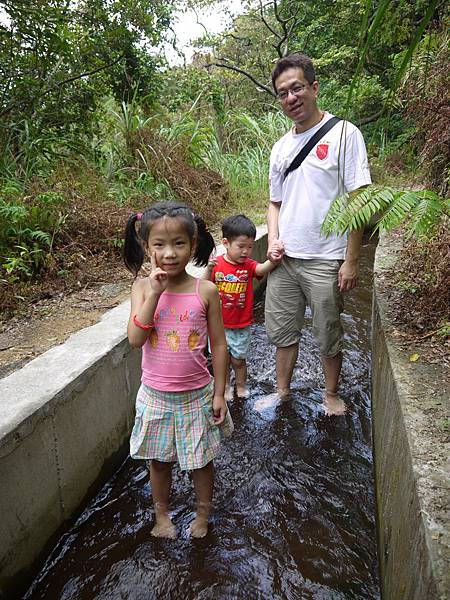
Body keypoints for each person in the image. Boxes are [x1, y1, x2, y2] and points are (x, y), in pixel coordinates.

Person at [265, 53, 372, 415]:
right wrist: (274, 239)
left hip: (327, 258)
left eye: (297, 88)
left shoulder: (344, 133)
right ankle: (281, 391)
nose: (291, 98)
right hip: (285, 260)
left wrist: (352, 260)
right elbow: (275, 203)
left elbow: (360, 200)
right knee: (282, 332)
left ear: (314, 87)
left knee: (327, 332)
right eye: (282, 93)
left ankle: (330, 393)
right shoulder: (280, 147)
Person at [123, 201, 233, 539]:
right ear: (146, 247)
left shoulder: (206, 291)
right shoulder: (142, 289)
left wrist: (219, 393)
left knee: (200, 462)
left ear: (194, 242)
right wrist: (155, 293)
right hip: (155, 395)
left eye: (179, 244)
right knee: (158, 462)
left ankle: (202, 515)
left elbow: (220, 345)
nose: (169, 253)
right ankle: (162, 516)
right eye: (159, 245)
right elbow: (135, 339)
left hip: (197, 395)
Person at [204, 214, 276, 399]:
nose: (246, 251)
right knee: (222, 360)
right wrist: (208, 269)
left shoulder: (248, 265)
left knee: (238, 360)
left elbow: (260, 270)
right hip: (218, 325)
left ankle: (241, 385)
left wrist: (273, 261)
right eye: (241, 247)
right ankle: (226, 385)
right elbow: (202, 287)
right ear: (226, 243)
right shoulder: (217, 265)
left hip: (241, 324)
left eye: (250, 247)